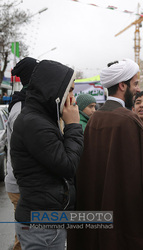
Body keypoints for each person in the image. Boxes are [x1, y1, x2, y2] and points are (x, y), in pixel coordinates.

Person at [67, 59, 143, 250]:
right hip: (123, 212)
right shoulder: (129, 119)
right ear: (123, 86)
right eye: (135, 84)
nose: (138, 89)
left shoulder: (94, 118)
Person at [11, 59, 84, 250]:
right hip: (41, 224)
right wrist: (74, 126)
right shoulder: (34, 123)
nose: (72, 98)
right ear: (54, 91)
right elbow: (68, 165)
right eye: (69, 90)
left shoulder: (41, 118)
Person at [4, 57, 38, 250]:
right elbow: (26, 150)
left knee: (28, 236)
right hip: (22, 185)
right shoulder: (22, 108)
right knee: (25, 239)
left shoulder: (26, 103)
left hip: (24, 183)